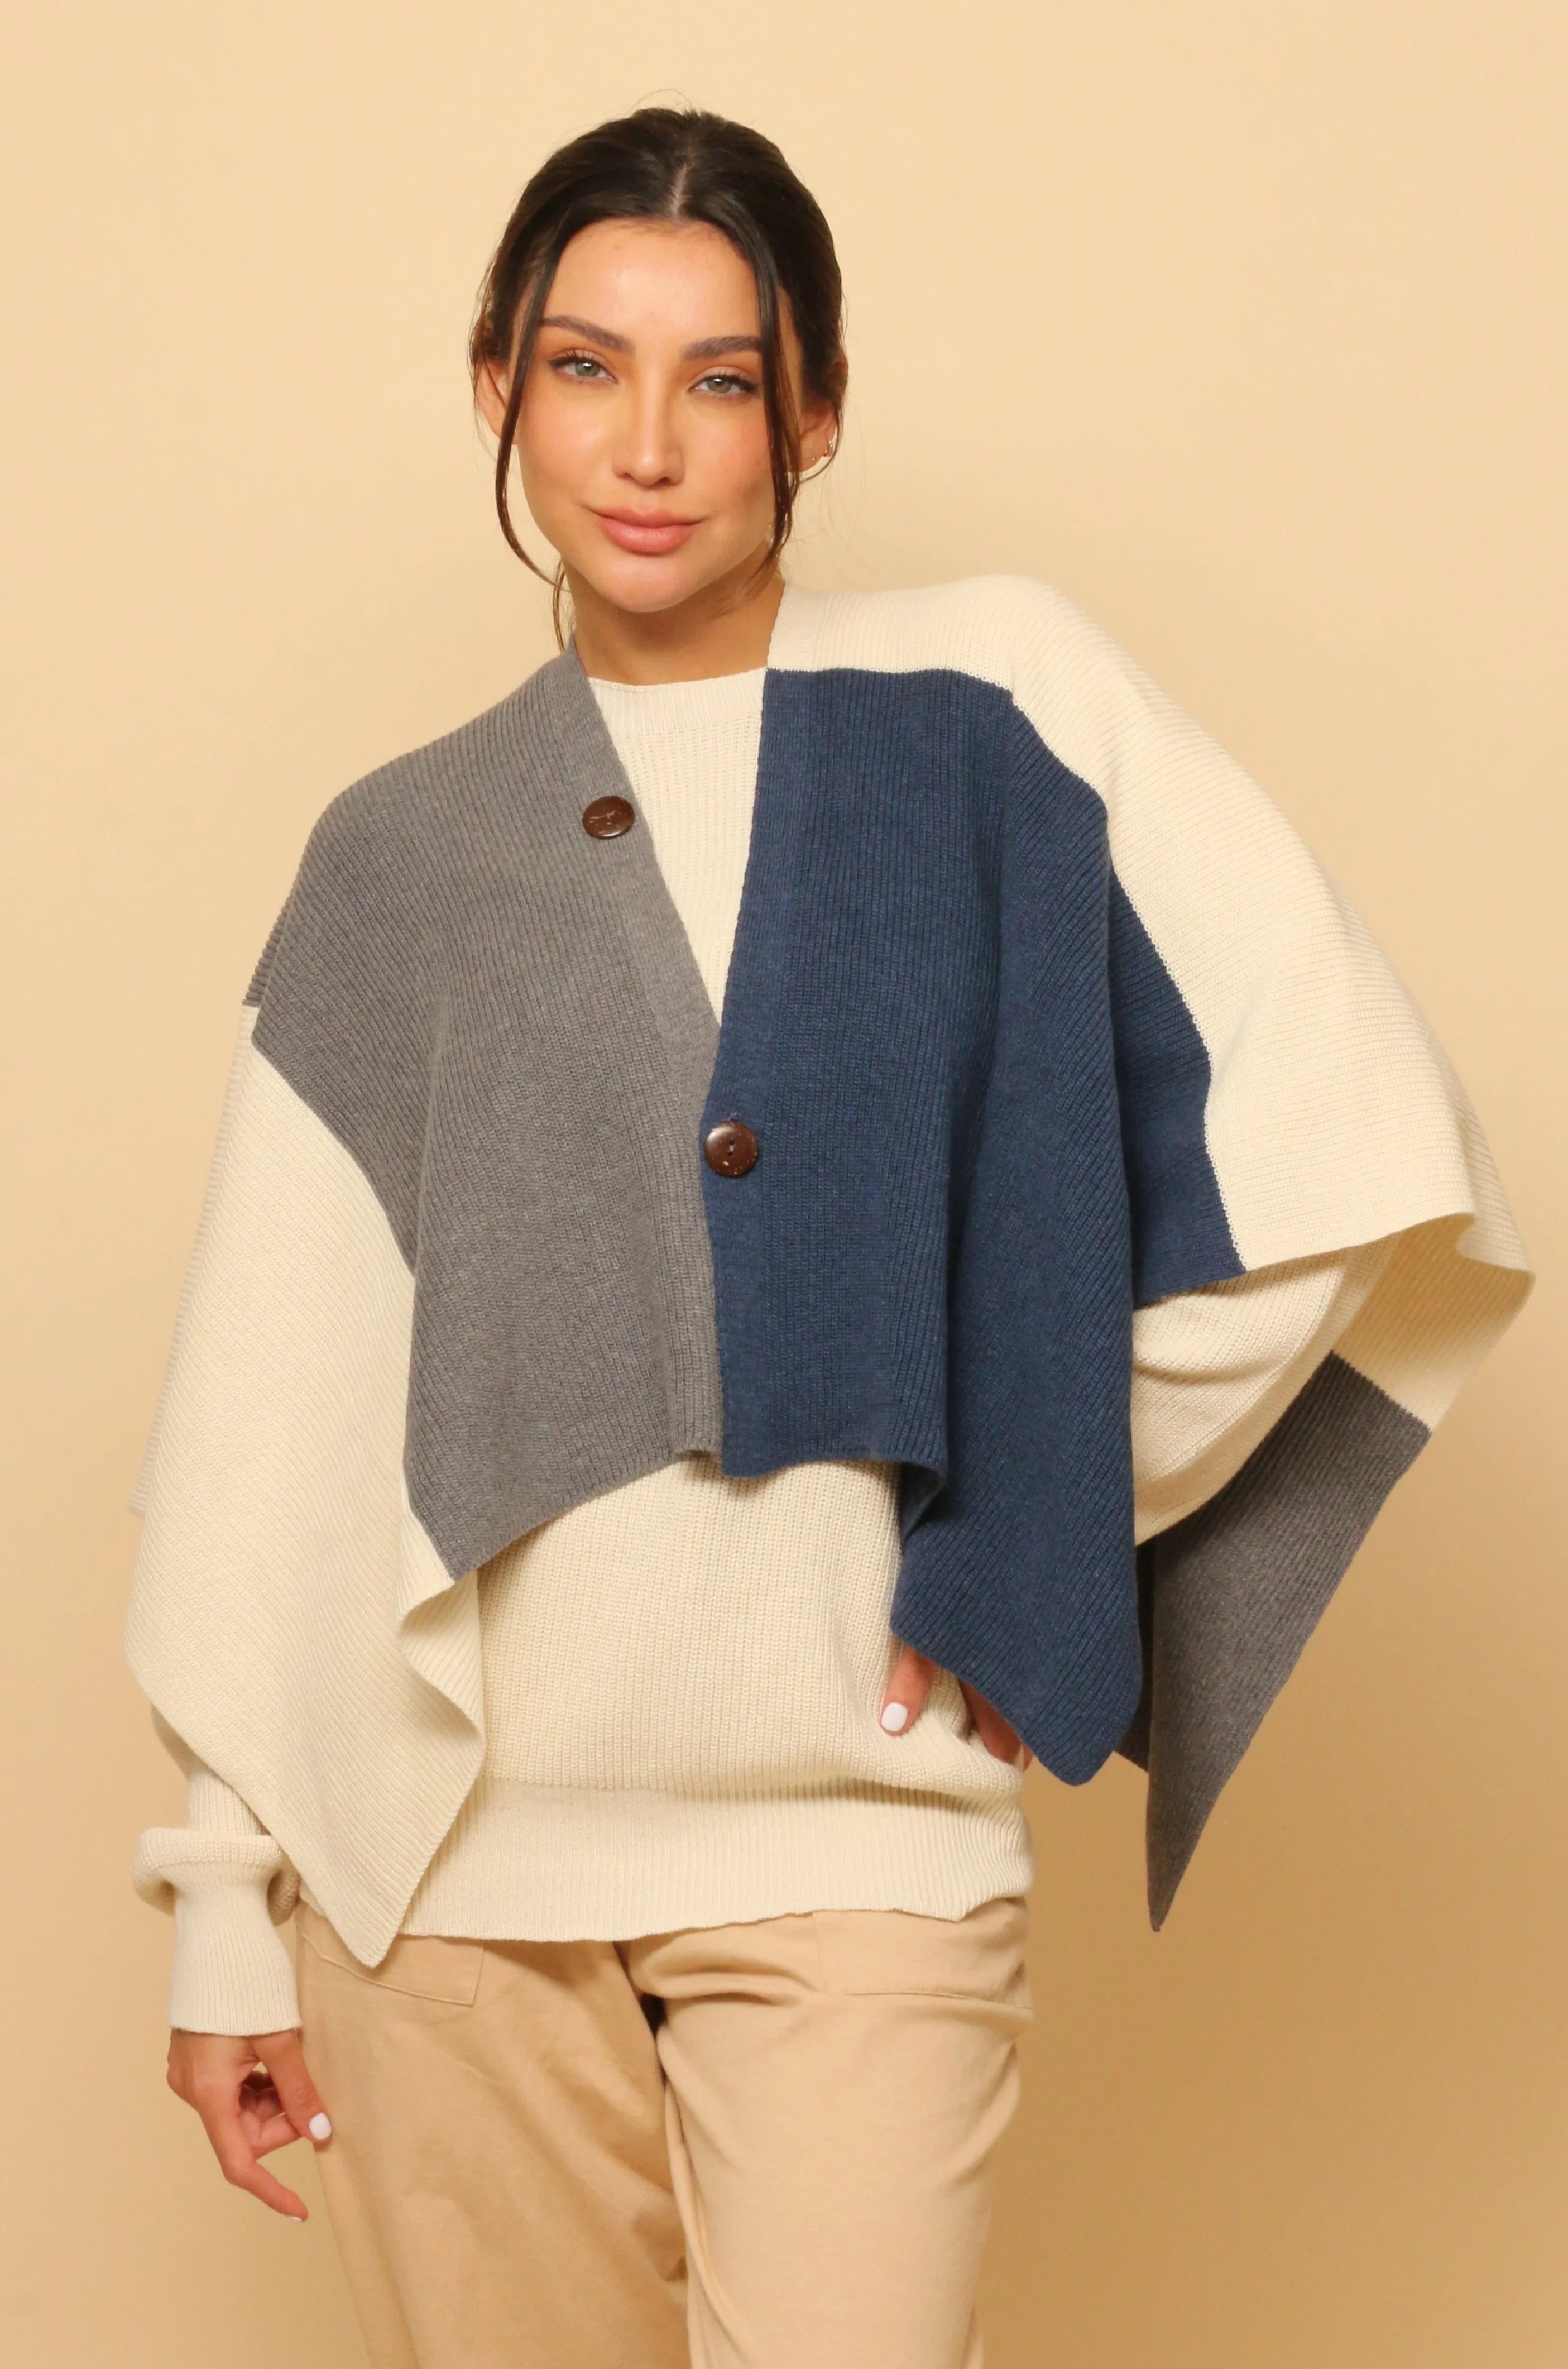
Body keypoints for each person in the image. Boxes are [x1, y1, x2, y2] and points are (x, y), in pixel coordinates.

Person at [123, 106, 1531, 2369]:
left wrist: (1034, 1519)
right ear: (496, 383)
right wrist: (220, 1911)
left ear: (817, 410)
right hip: (442, 1890)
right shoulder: (409, 851)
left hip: (860, 1843)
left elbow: (1335, 1127)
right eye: (584, 367)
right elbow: (277, 1420)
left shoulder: (992, 707)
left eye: (722, 377)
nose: (647, 445)